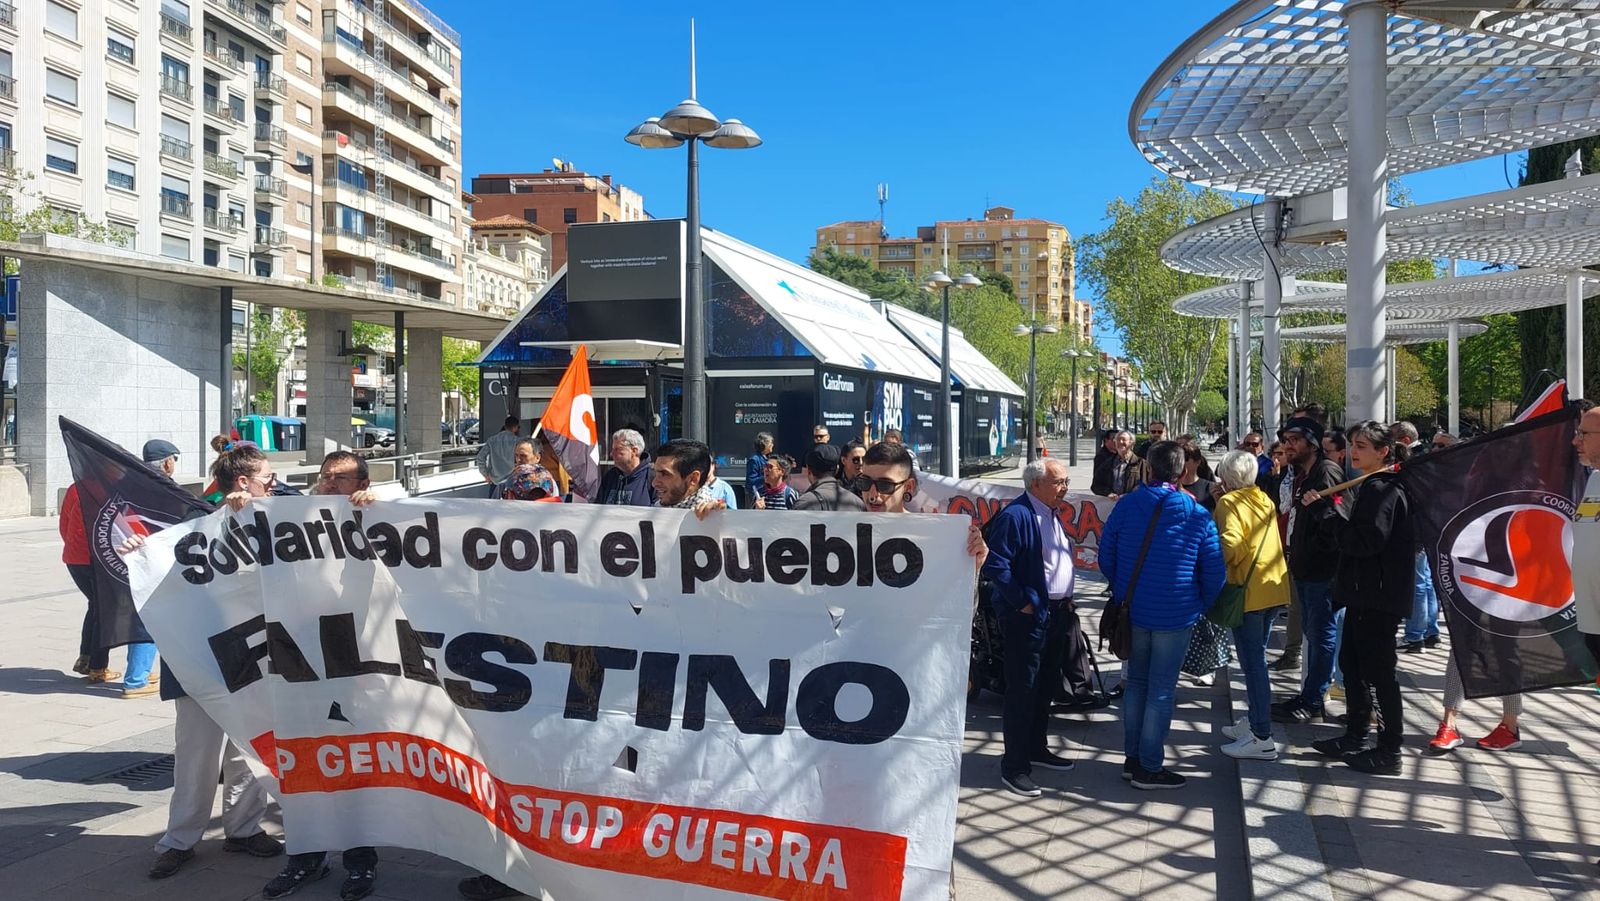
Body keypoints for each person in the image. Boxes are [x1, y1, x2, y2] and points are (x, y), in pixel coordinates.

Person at [146, 444, 283, 880]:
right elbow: (160, 566)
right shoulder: (195, 518)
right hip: (201, 660)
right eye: (268, 478)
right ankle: (180, 839)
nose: (274, 484)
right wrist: (137, 550)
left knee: (250, 748)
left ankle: (243, 828)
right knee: (196, 754)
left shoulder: (276, 513)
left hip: (255, 657)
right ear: (243, 482)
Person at [264, 452, 382, 900]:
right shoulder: (293, 515)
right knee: (301, 762)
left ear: (362, 483)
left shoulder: (376, 514)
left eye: (341, 478)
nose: (330, 484)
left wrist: (376, 507)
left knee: (349, 765)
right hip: (297, 656)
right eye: (325, 477)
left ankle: (360, 862)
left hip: (351, 660)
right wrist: (237, 502)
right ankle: (305, 857)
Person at [1099, 441, 1225, 789]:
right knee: (1161, 690)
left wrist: (1122, 590)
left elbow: (1106, 555)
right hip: (1176, 613)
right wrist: (1199, 603)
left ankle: (1132, 758)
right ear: (1182, 471)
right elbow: (1214, 571)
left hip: (1134, 610)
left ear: (1148, 468)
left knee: (1137, 683)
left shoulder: (1127, 505)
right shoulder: (1196, 513)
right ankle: (1150, 765)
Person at [1302, 421, 1414, 775]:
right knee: (1352, 666)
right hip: (1361, 594)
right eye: (1352, 444)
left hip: (1377, 597)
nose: (1353, 451)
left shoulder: (1384, 489)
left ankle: (1389, 750)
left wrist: (1325, 514)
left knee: (1378, 673)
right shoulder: (1372, 485)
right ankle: (1355, 735)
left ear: (1383, 451)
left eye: (1362, 445)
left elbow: (1364, 541)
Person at [982, 458, 1082, 798]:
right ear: (1035, 484)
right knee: (1022, 691)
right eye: (1059, 482)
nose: (1064, 488)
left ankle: (1036, 748)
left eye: (1066, 482)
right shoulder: (1016, 516)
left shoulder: (1051, 513)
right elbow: (996, 563)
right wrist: (1022, 602)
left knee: (1045, 686)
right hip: (1029, 618)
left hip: (1057, 615)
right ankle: (1014, 766)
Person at [1214, 450, 1290, 761]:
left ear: (1227, 477)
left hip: (1247, 591)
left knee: (1253, 663)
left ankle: (1261, 735)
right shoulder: (1263, 498)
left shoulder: (1229, 503)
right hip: (1272, 587)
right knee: (1256, 658)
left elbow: (1232, 545)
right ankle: (1255, 719)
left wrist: (1211, 557)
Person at [1266, 417, 1344, 708]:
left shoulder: (1326, 472)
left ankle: (1313, 698)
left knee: (1321, 635)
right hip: (1305, 568)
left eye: (1295, 440)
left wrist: (1315, 549)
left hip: (1321, 572)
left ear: (1312, 443)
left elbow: (1337, 519)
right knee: (1314, 633)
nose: (1288, 445)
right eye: (1286, 440)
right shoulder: (1302, 474)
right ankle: (1310, 694)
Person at [61, 481, 117, 683]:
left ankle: (85, 658)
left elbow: (64, 524)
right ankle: (97, 667)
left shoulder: (76, 487)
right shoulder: (112, 489)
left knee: (96, 606)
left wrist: (73, 544)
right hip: (97, 560)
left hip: (74, 558)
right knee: (105, 611)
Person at [794, 444, 866, 512]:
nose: (861, 463)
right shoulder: (857, 503)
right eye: (856, 460)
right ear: (837, 469)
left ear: (809, 471)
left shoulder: (805, 503)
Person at [597, 429, 656, 506]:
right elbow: (598, 505)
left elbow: (659, 509)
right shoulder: (610, 476)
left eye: (617, 449)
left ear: (634, 451)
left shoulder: (652, 478)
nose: (612, 454)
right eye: (613, 449)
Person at [653, 439, 717, 509]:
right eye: (656, 473)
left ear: (693, 478)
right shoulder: (660, 506)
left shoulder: (710, 513)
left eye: (665, 474)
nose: (654, 483)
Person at [1091, 430, 1147, 498]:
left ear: (1131, 443)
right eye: (1118, 440)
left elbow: (1146, 485)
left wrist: (1130, 494)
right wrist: (1108, 493)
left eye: (1123, 439)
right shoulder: (1107, 463)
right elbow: (1096, 485)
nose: (1120, 442)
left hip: (1133, 502)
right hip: (1111, 503)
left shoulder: (1141, 463)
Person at [475, 416, 522, 495]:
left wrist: (485, 474)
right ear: (515, 427)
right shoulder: (518, 441)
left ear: (505, 426)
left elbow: (480, 457)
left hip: (495, 482)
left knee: (493, 502)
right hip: (512, 482)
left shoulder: (492, 440)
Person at [1179, 444, 1217, 513]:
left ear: (1198, 462)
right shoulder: (1172, 487)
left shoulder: (1210, 487)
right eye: (1179, 459)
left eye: (1186, 458)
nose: (1182, 462)